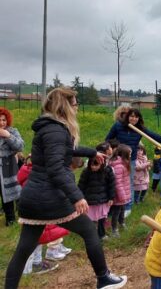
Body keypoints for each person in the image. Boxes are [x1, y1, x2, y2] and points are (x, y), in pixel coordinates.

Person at [4, 87, 127, 289]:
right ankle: (103, 278)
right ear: (66, 106)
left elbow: (66, 150)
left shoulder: (50, 127)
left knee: (23, 249)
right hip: (50, 197)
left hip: (34, 197)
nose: (77, 107)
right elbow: (55, 168)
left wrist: (91, 153)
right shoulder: (55, 130)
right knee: (89, 231)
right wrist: (77, 196)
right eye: (75, 103)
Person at [105, 108, 161, 216]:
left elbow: (153, 135)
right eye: (131, 116)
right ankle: (113, 206)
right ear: (127, 116)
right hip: (117, 159)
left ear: (139, 118)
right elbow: (107, 139)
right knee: (115, 182)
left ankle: (128, 207)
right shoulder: (118, 126)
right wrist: (112, 148)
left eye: (136, 117)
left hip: (130, 160)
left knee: (129, 182)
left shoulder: (140, 128)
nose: (133, 118)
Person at [78, 156, 116, 240]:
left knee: (101, 219)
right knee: (89, 219)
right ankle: (89, 236)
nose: (93, 167)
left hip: (102, 201)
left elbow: (112, 185)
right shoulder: (86, 172)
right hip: (89, 201)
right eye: (91, 165)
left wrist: (111, 197)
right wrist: (80, 198)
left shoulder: (107, 171)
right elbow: (81, 186)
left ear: (101, 164)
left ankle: (101, 234)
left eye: (96, 165)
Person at [0, 107, 24, 227]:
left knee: (13, 191)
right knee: (4, 194)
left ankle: (20, 215)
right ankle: (10, 218)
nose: (1, 122)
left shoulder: (12, 131)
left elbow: (20, 146)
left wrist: (8, 136)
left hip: (9, 166)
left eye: (3, 120)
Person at [109, 144, 132, 238]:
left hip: (122, 194)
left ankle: (122, 223)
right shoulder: (119, 166)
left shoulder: (123, 164)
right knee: (116, 212)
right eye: (129, 154)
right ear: (124, 155)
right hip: (118, 195)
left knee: (122, 210)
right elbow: (118, 183)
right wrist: (122, 196)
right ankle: (114, 229)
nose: (130, 156)